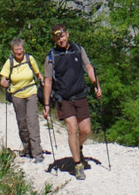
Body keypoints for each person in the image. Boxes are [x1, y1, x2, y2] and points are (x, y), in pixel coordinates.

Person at [42, 23, 101, 180]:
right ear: (54, 39)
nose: (60, 39)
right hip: (64, 98)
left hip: (80, 95)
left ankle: (77, 147)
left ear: (67, 34)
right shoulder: (51, 56)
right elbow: (48, 81)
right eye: (57, 37)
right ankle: (78, 165)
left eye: (62, 35)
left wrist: (96, 84)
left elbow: (88, 67)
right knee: (72, 129)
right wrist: (46, 105)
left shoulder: (78, 49)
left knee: (86, 130)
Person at [0, 38, 44, 161]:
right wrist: (4, 83)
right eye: (16, 50)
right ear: (13, 51)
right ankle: (27, 147)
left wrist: (43, 81)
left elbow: (38, 74)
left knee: (33, 122)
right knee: (22, 123)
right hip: (17, 95)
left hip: (31, 93)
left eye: (20, 49)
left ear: (23, 49)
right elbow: (3, 80)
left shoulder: (30, 59)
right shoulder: (9, 62)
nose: (19, 52)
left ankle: (37, 153)